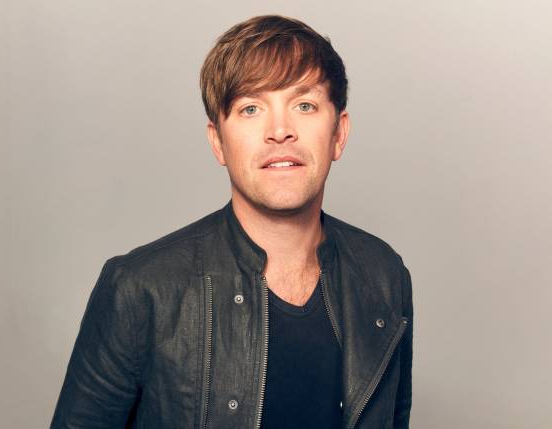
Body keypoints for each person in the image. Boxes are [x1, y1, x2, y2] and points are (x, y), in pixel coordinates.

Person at [51, 14, 413, 429]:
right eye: (251, 108)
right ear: (218, 142)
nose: (280, 130)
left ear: (339, 134)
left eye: (304, 105)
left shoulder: (384, 276)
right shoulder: (139, 289)